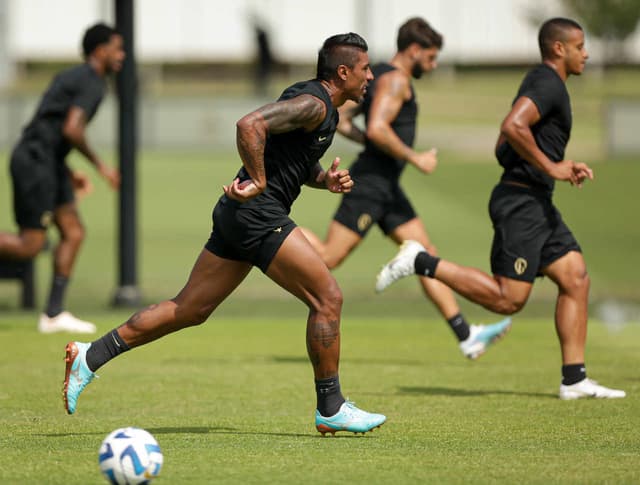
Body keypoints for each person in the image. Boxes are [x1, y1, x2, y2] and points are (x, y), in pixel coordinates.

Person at [63, 33, 386, 435]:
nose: (370, 76)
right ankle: (331, 406)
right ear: (343, 72)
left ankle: (90, 357)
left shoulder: (320, 106)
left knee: (190, 309)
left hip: (240, 214)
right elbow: (248, 125)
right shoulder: (314, 103)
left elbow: (294, 162)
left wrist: (325, 179)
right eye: (365, 69)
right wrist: (258, 179)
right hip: (256, 213)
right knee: (328, 297)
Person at [375, 18, 625, 400]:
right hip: (521, 201)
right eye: (579, 46)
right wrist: (553, 166)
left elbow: (503, 143)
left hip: (535, 199)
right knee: (509, 299)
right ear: (558, 48)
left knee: (575, 276)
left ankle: (574, 379)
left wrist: (549, 167)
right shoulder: (546, 82)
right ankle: (420, 261)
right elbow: (512, 126)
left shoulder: (545, 83)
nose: (586, 53)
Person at [301, 18, 511, 360]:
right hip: (371, 183)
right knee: (328, 256)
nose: (433, 64)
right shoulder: (396, 81)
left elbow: (345, 120)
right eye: (430, 57)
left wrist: (369, 139)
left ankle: (465, 334)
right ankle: (272, 234)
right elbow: (380, 129)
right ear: (414, 50)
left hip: (387, 186)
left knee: (423, 252)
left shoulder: (379, 74)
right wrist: (416, 158)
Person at [0, 23, 122, 333]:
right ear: (99, 50)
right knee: (30, 245)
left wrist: (66, 170)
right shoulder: (93, 82)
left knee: (73, 231)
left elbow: (48, 127)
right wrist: (100, 165)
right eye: (117, 49)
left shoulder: (71, 76)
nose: (121, 56)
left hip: (46, 162)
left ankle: (53, 314)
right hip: (35, 163)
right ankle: (53, 313)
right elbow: (71, 128)